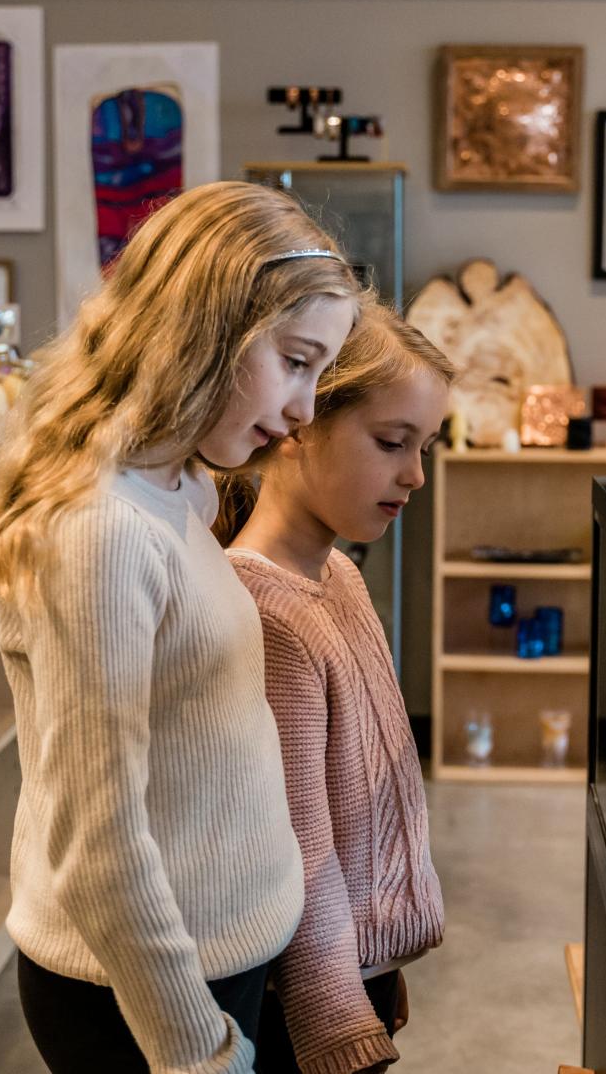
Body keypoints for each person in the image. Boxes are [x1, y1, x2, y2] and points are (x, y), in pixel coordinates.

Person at [0, 181, 364, 1074]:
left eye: (321, 372)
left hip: (225, 954)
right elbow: (99, 844)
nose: (303, 410)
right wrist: (195, 1051)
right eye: (296, 360)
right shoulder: (100, 531)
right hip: (150, 999)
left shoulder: (179, 487)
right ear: (208, 327)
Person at [215, 304, 453, 1074]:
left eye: (426, 447)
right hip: (310, 1012)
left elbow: (372, 799)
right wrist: (340, 1011)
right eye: (392, 444)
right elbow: (303, 854)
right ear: (299, 426)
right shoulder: (270, 615)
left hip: (359, 976)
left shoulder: (341, 576)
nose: (415, 475)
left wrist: (382, 964)